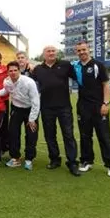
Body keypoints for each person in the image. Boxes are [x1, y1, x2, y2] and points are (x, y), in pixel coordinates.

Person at [72, 41, 110, 177]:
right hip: (83, 107)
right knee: (85, 136)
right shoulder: (75, 66)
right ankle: (87, 161)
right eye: (79, 50)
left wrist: (106, 103)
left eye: (84, 49)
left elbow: (106, 85)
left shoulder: (98, 65)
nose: (82, 52)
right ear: (76, 52)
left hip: (99, 107)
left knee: (104, 137)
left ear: (89, 49)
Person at [32, 45, 80, 176]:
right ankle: (54, 159)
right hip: (46, 107)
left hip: (64, 106)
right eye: (48, 51)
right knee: (50, 135)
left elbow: (79, 77)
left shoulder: (65, 65)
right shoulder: (37, 69)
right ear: (44, 54)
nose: (51, 53)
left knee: (68, 135)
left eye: (53, 51)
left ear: (57, 53)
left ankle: (72, 162)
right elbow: (29, 83)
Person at [0, 61, 40, 171]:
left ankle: (29, 159)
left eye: (15, 70)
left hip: (30, 109)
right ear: (7, 72)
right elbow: (6, 91)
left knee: (31, 134)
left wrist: (32, 119)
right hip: (16, 109)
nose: (13, 73)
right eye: (10, 71)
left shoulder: (29, 82)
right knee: (13, 133)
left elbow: (36, 101)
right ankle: (15, 157)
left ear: (19, 71)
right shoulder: (6, 82)